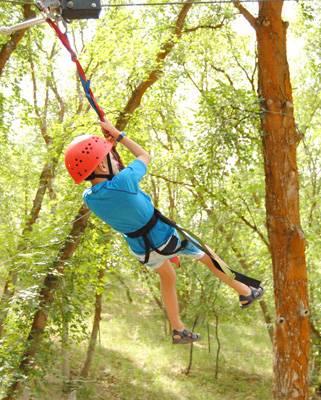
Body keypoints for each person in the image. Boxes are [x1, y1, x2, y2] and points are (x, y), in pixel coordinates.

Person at [64, 118, 264, 344]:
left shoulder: (89, 198)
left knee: (168, 277)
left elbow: (111, 182)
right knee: (208, 255)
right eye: (110, 157)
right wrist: (118, 135)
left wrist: (112, 150)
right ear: (102, 166)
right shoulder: (124, 181)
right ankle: (245, 292)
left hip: (142, 250)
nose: (115, 160)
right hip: (164, 237)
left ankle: (178, 329)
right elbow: (144, 155)